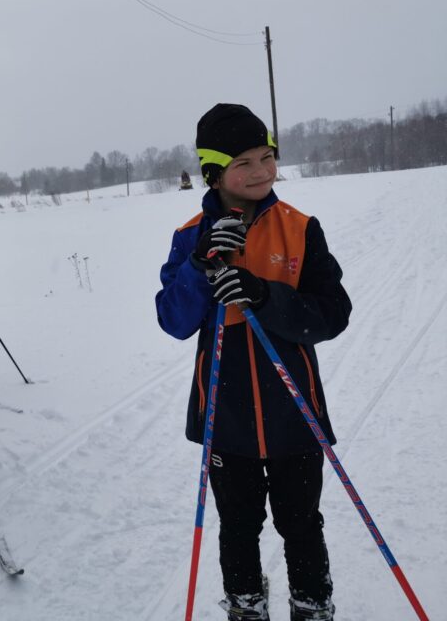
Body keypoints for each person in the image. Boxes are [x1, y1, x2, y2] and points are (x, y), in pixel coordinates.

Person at [156, 104, 351, 621]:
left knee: (301, 522)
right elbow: (173, 320)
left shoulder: (300, 228)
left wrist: (265, 296)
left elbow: (333, 313)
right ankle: (245, 606)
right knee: (239, 525)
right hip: (226, 418)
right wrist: (199, 266)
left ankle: (312, 605)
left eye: (267, 156)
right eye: (244, 163)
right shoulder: (190, 235)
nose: (262, 170)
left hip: (294, 411)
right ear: (213, 173)